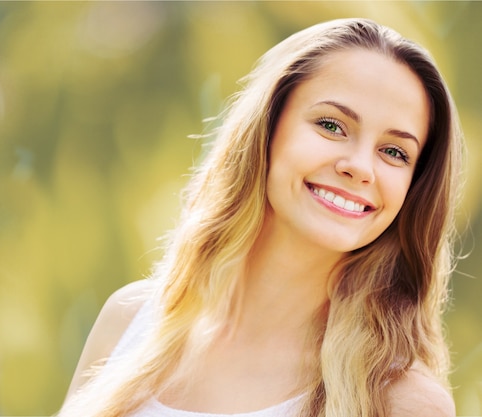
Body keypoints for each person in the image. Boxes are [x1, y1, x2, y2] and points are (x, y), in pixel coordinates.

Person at [58, 18, 463, 417]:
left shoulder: (402, 402)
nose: (360, 167)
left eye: (395, 152)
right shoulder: (128, 321)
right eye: (331, 125)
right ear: (267, 128)